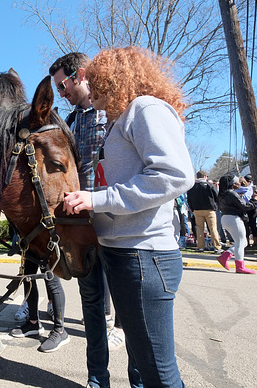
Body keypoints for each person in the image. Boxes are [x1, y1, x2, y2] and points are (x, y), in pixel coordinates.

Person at [64, 47, 194, 387]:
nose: (91, 93)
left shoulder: (145, 109)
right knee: (149, 367)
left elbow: (174, 175)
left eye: (95, 84)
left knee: (159, 374)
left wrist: (97, 199)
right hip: (124, 252)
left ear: (113, 80)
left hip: (143, 256)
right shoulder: (122, 119)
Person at [49, 52, 118, 385]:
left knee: (129, 308)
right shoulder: (70, 121)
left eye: (63, 85)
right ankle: (97, 379)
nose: (62, 94)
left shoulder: (113, 111)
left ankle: (139, 378)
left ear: (81, 75)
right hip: (83, 227)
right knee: (90, 304)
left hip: (118, 222)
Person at [216, 174, 257, 273]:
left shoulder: (222, 194)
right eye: (237, 181)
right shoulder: (232, 194)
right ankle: (239, 266)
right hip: (234, 218)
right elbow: (245, 206)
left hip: (225, 218)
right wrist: (254, 199)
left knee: (243, 242)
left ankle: (225, 256)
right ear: (232, 183)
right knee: (241, 243)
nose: (240, 183)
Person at [187, 171, 224, 252]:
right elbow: (216, 196)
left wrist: (192, 209)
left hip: (197, 210)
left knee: (200, 229)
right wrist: (216, 206)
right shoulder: (210, 185)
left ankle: (200, 246)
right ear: (205, 176)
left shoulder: (192, 187)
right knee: (213, 228)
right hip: (209, 209)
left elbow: (189, 199)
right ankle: (217, 247)